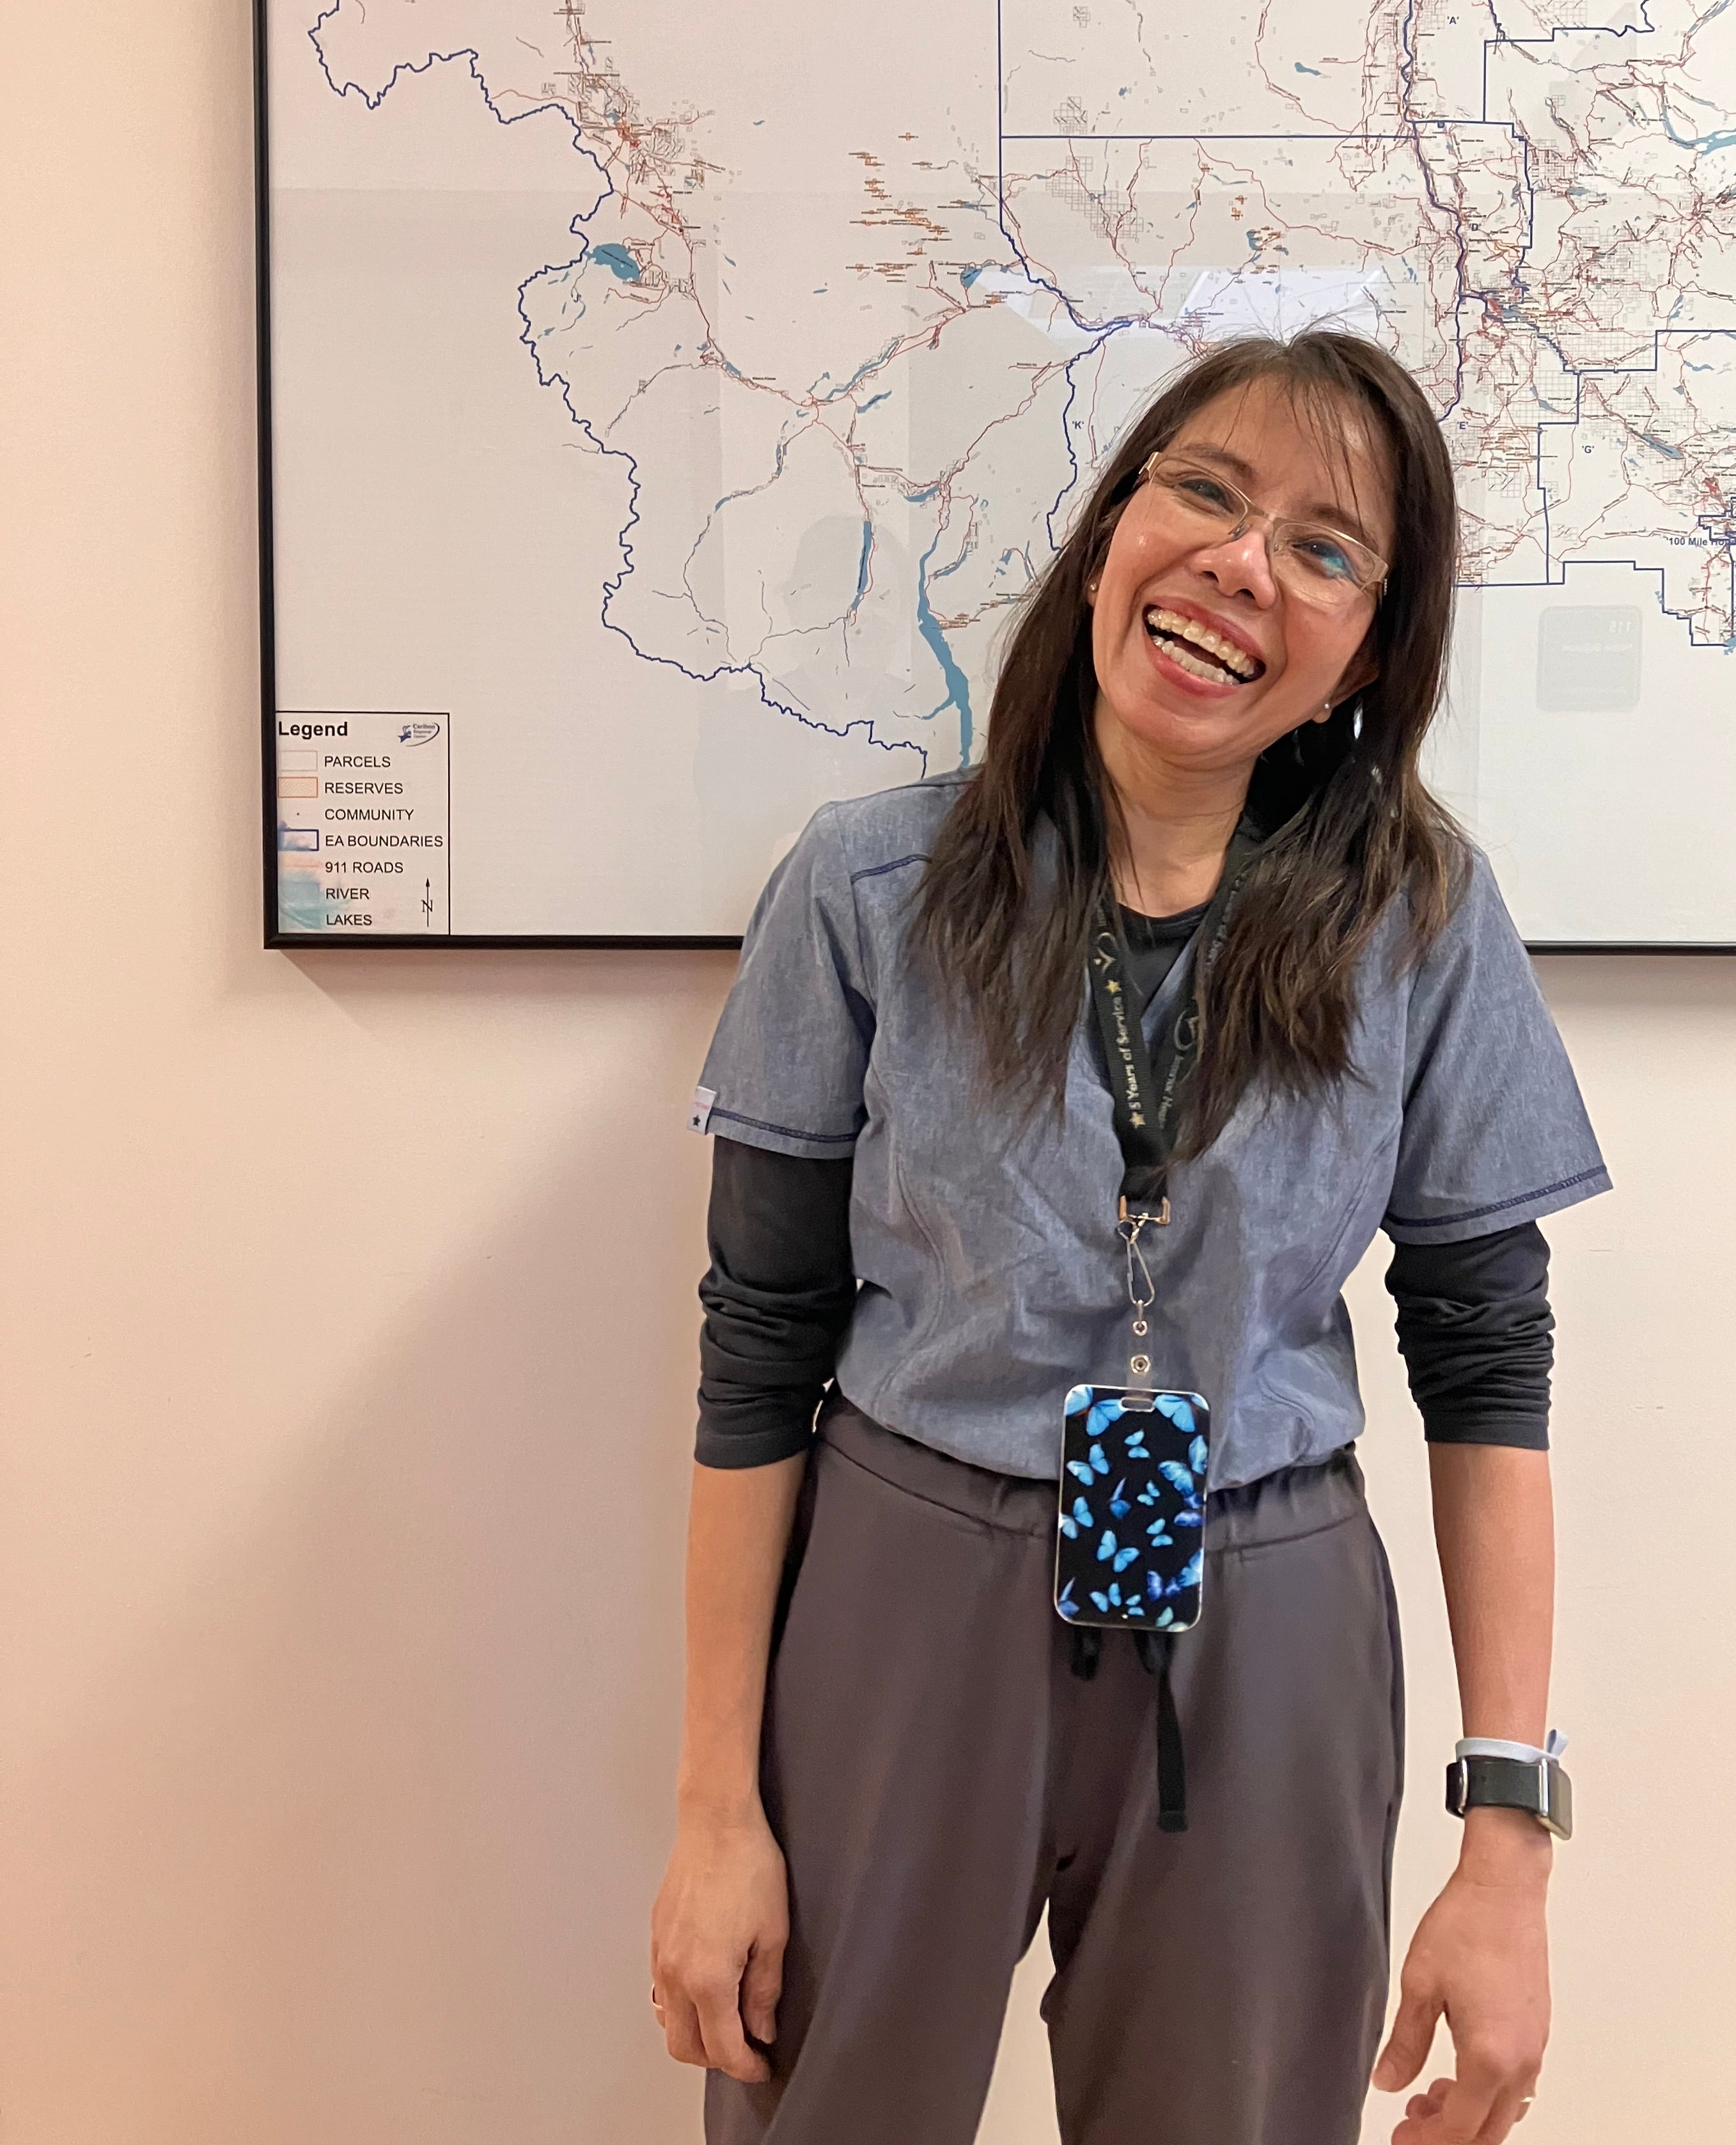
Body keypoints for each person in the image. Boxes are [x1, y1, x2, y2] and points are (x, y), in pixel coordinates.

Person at [652, 331, 1609, 2145]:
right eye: (1208, 493)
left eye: (1329, 549)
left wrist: (1508, 1854)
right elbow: (756, 1339)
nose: (1246, 566)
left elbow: (1490, 1363)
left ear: (1371, 648)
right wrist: (716, 1809)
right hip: (904, 1580)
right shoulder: (863, 889)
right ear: (1109, 538)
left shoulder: (1419, 919)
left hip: (1271, 1612)